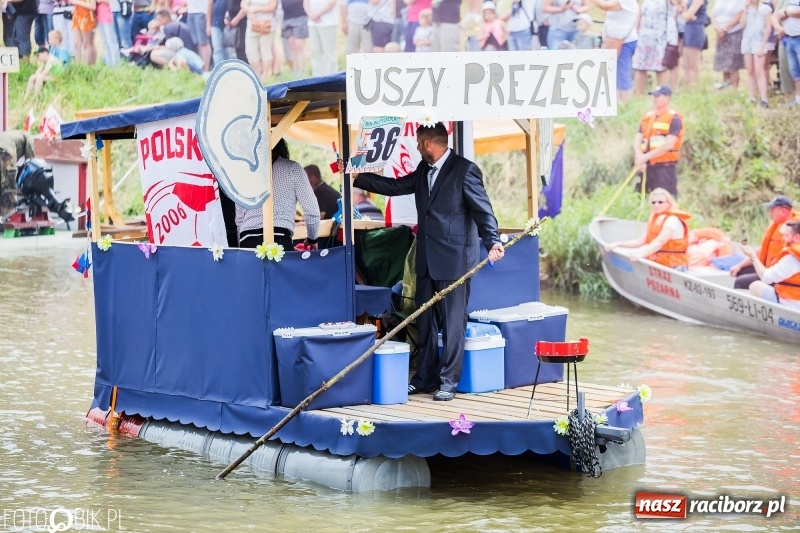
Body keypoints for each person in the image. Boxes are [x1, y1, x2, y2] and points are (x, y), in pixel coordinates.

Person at [354, 122, 504, 402]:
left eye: (419, 143)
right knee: (425, 321)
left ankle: (449, 381)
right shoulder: (424, 169)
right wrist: (357, 176)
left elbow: (483, 210)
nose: (417, 147)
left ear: (428, 143)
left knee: (453, 323)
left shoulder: (465, 170)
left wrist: (492, 241)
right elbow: (395, 186)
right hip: (426, 260)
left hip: (456, 260)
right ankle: (425, 378)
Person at [235, 139, 320, 250]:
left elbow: (239, 219)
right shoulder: (293, 168)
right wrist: (312, 239)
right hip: (280, 236)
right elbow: (312, 210)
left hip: (247, 238)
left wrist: (242, 245)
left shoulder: (244, 172)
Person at [607, 187, 691, 268]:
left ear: (668, 203)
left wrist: (642, 253)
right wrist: (618, 244)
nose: (656, 205)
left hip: (674, 265)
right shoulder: (655, 218)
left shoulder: (672, 220)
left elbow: (660, 241)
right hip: (659, 263)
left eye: (660, 202)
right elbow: (640, 241)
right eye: (653, 202)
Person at [731, 195, 800, 288]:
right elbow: (763, 250)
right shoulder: (776, 224)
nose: (770, 213)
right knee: (740, 272)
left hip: (779, 276)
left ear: (783, 211)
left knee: (739, 282)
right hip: (768, 269)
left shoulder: (794, 231)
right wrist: (739, 265)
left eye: (772, 210)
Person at [633, 85, 684, 198]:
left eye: (657, 96)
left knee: (665, 199)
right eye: (653, 96)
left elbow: (669, 144)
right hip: (646, 166)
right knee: (640, 197)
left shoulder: (674, 118)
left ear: (667, 98)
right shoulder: (647, 117)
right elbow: (637, 139)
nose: (654, 99)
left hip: (664, 167)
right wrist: (639, 157)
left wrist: (644, 158)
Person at [743, 220, 800, 309]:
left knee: (755, 286)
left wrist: (753, 257)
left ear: (796, 237)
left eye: (786, 235)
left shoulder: (792, 258)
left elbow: (766, 278)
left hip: (792, 305)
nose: (783, 238)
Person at [594, 0, 638, 102]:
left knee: (622, 73)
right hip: (615, 40)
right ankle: (617, 101)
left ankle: (626, 103)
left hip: (624, 41)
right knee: (614, 72)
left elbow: (604, 6)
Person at [740, 0, 774, 106]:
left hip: (759, 42)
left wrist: (763, 45)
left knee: (759, 70)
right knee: (750, 70)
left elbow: (768, 28)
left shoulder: (765, 9)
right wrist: (745, 9)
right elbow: (742, 24)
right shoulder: (747, 9)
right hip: (747, 41)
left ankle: (764, 98)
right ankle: (752, 97)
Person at [711, 0, 745, 90]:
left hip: (734, 32)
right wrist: (718, 29)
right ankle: (725, 87)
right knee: (724, 63)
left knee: (732, 64)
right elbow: (713, 15)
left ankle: (734, 89)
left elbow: (740, 14)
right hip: (720, 33)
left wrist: (725, 28)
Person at [25, 34, 71, 98]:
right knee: (32, 77)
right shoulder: (44, 61)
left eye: (38, 55)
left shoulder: (51, 59)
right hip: (51, 76)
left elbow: (44, 73)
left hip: (57, 78)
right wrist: (37, 73)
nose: (38, 58)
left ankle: (36, 96)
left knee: (39, 77)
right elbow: (38, 72)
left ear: (45, 53)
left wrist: (38, 75)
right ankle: (26, 96)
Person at [0, 131, 35, 213]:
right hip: (5, 152)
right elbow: (31, 160)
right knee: (9, 187)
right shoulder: (28, 137)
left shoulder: (11, 135)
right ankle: (8, 215)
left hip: (4, 149)